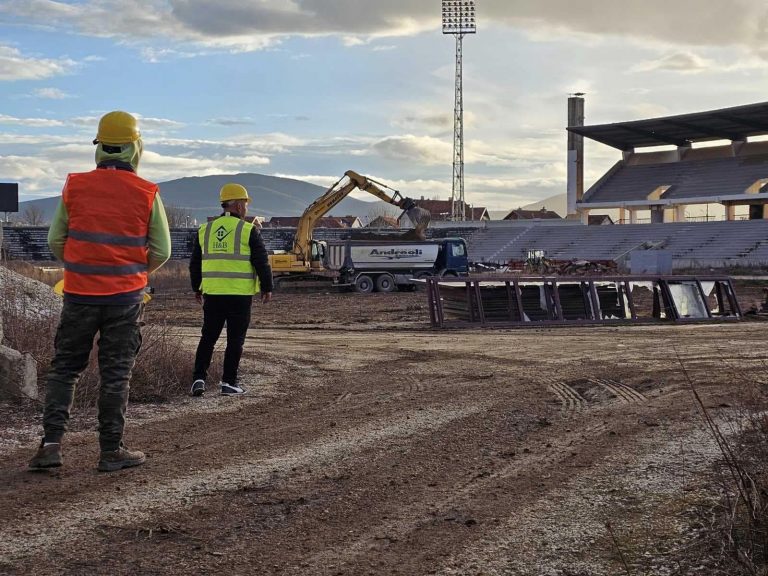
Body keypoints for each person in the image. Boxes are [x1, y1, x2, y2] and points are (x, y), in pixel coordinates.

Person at [28, 111, 172, 472]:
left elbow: (55, 239)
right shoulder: (146, 192)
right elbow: (163, 250)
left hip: (78, 293)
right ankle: (111, 450)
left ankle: (50, 446)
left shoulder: (74, 186)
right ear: (135, 148)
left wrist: (78, 265)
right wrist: (135, 271)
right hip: (125, 298)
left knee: (64, 369)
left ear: (99, 147)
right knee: (115, 373)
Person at [189, 183, 273, 397]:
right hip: (239, 295)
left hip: (213, 293)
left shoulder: (205, 230)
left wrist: (196, 288)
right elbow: (261, 261)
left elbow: (195, 263)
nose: (246, 207)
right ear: (237, 205)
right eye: (244, 203)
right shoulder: (247, 230)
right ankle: (228, 382)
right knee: (235, 340)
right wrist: (267, 287)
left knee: (208, 337)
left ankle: (198, 379)